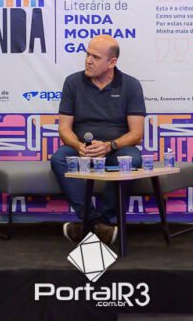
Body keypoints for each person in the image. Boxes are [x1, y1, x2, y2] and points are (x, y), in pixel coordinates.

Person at [50, 35, 146, 245]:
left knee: (133, 158)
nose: (88, 61)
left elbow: (136, 134)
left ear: (112, 62)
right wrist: (78, 146)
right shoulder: (73, 82)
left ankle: (103, 220)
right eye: (87, 55)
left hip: (116, 148)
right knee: (59, 158)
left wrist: (110, 146)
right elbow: (64, 128)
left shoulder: (130, 85)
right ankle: (95, 223)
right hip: (82, 149)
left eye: (95, 57)